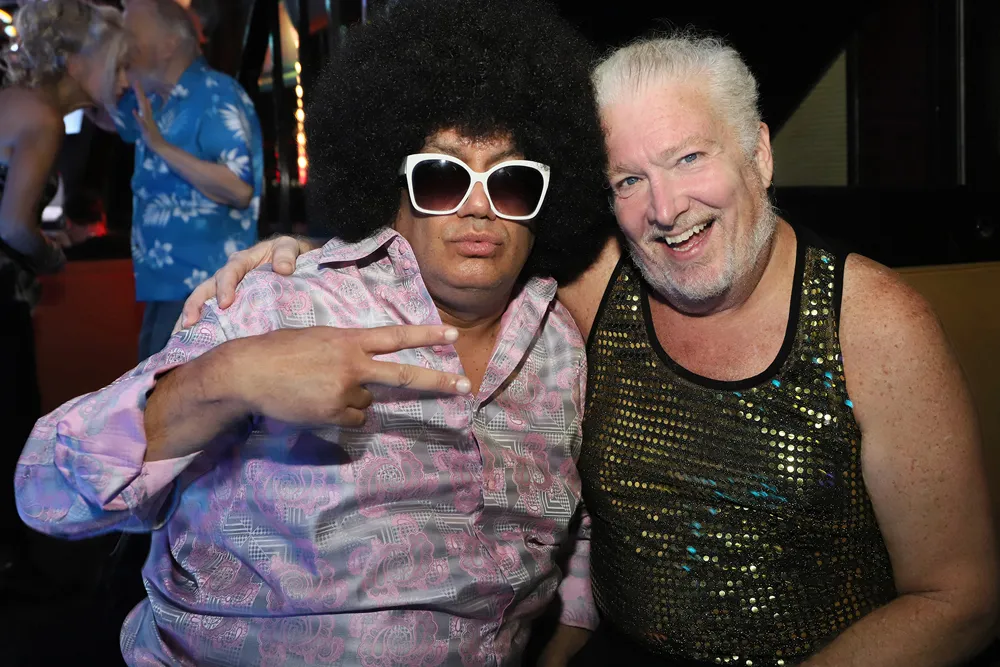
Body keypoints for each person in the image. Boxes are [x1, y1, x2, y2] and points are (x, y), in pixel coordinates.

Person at [195, 33, 1000, 667]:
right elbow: (452, 253)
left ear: (758, 153)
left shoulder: (872, 323)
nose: (666, 207)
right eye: (627, 180)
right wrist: (302, 255)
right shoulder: (597, 287)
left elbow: (960, 598)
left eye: (689, 157)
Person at [15, 0, 610, 663]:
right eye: (442, 178)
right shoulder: (283, 303)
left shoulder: (559, 343)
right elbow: (45, 491)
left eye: (512, 182)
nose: (479, 206)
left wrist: (567, 635)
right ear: (389, 188)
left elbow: (574, 523)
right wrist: (226, 378)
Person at [0, 0, 128, 587]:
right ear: (77, 63)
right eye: (116, 64)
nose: (122, 79)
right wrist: (51, 256)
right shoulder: (44, 117)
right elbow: (12, 227)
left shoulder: (21, 103)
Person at [106, 0, 263, 361]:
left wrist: (160, 147)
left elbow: (238, 188)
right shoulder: (157, 101)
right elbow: (105, 112)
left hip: (205, 288)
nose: (124, 44)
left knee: (172, 390)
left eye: (131, 34)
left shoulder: (214, 93)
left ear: (170, 43)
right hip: (166, 285)